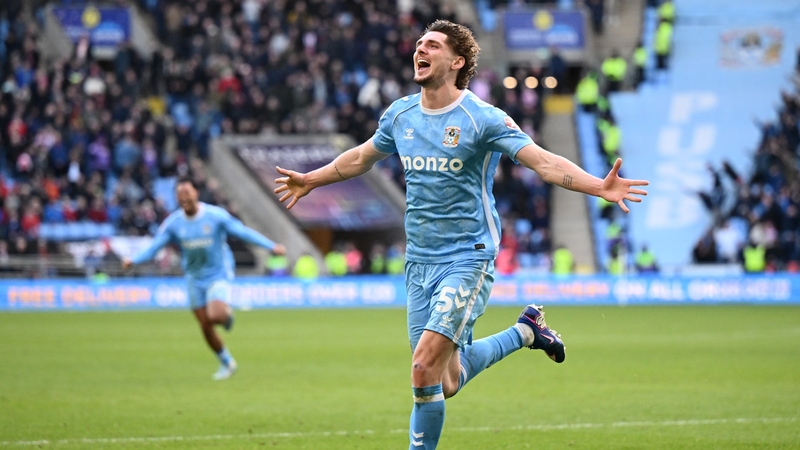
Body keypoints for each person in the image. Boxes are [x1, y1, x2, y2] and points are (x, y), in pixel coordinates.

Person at [273, 20, 649, 450]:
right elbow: (360, 158)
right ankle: (527, 331)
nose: (420, 49)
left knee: (421, 369)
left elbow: (542, 162)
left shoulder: (482, 118)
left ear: (456, 61)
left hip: (466, 258)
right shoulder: (400, 114)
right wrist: (311, 180)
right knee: (443, 381)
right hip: (419, 263)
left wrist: (597, 185)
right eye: (419, 44)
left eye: (432, 44)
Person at [122, 177, 286, 381]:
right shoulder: (174, 224)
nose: (184, 197)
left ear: (196, 194)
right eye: (180, 194)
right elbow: (155, 247)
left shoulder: (215, 216)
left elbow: (242, 232)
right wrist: (133, 260)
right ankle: (227, 362)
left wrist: (271, 246)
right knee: (205, 325)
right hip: (194, 277)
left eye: (187, 193)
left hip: (219, 273)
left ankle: (226, 316)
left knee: (216, 316)